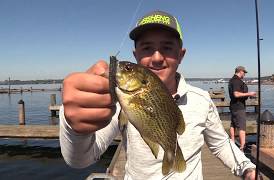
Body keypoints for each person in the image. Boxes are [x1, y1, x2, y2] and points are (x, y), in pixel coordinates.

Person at [59, 10, 258, 179]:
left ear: (181, 55)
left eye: (167, 48)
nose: (156, 58)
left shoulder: (202, 100)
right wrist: (75, 126)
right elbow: (80, 160)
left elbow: (221, 144)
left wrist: (246, 167)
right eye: (146, 48)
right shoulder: (118, 101)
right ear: (135, 55)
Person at [228, 66, 257, 151]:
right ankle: (242, 147)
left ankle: (232, 141)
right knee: (242, 126)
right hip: (239, 107)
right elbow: (236, 94)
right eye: (244, 72)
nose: (244, 74)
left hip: (233, 106)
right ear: (240, 71)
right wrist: (249, 94)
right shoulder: (236, 81)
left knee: (233, 123)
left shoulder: (231, 80)